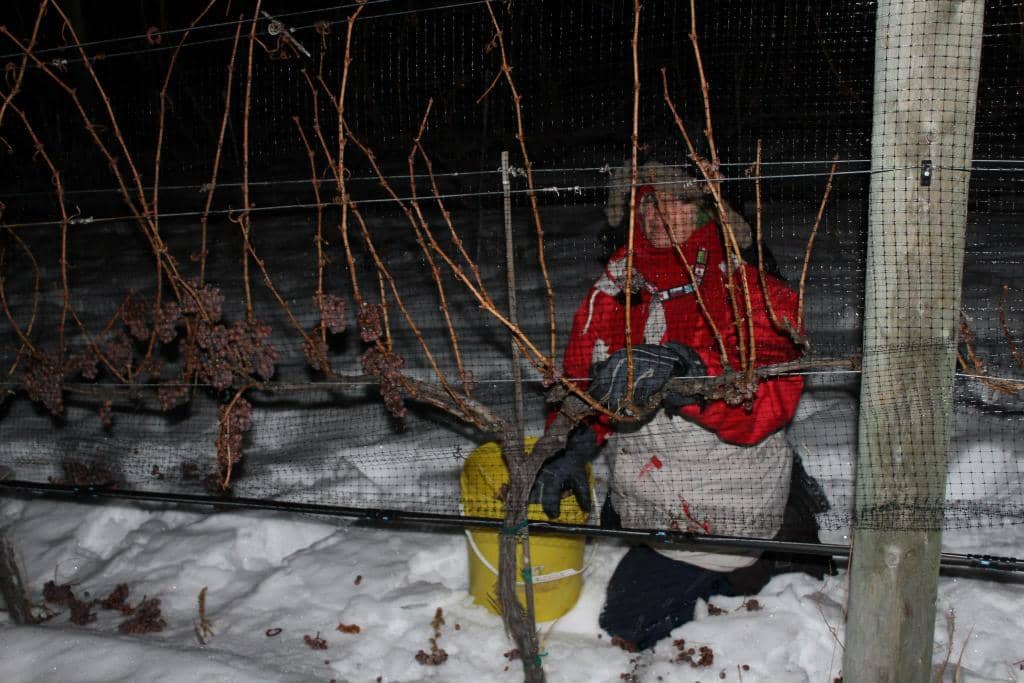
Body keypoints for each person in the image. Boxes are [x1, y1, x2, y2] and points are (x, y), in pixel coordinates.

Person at [532, 158, 830, 651]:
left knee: (628, 626)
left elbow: (767, 404)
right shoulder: (615, 289)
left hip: (726, 491)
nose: (657, 213)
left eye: (678, 200)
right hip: (651, 486)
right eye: (647, 200)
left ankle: (758, 577)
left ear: (711, 213)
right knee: (622, 544)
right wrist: (572, 440)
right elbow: (583, 377)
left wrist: (685, 368)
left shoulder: (749, 287)